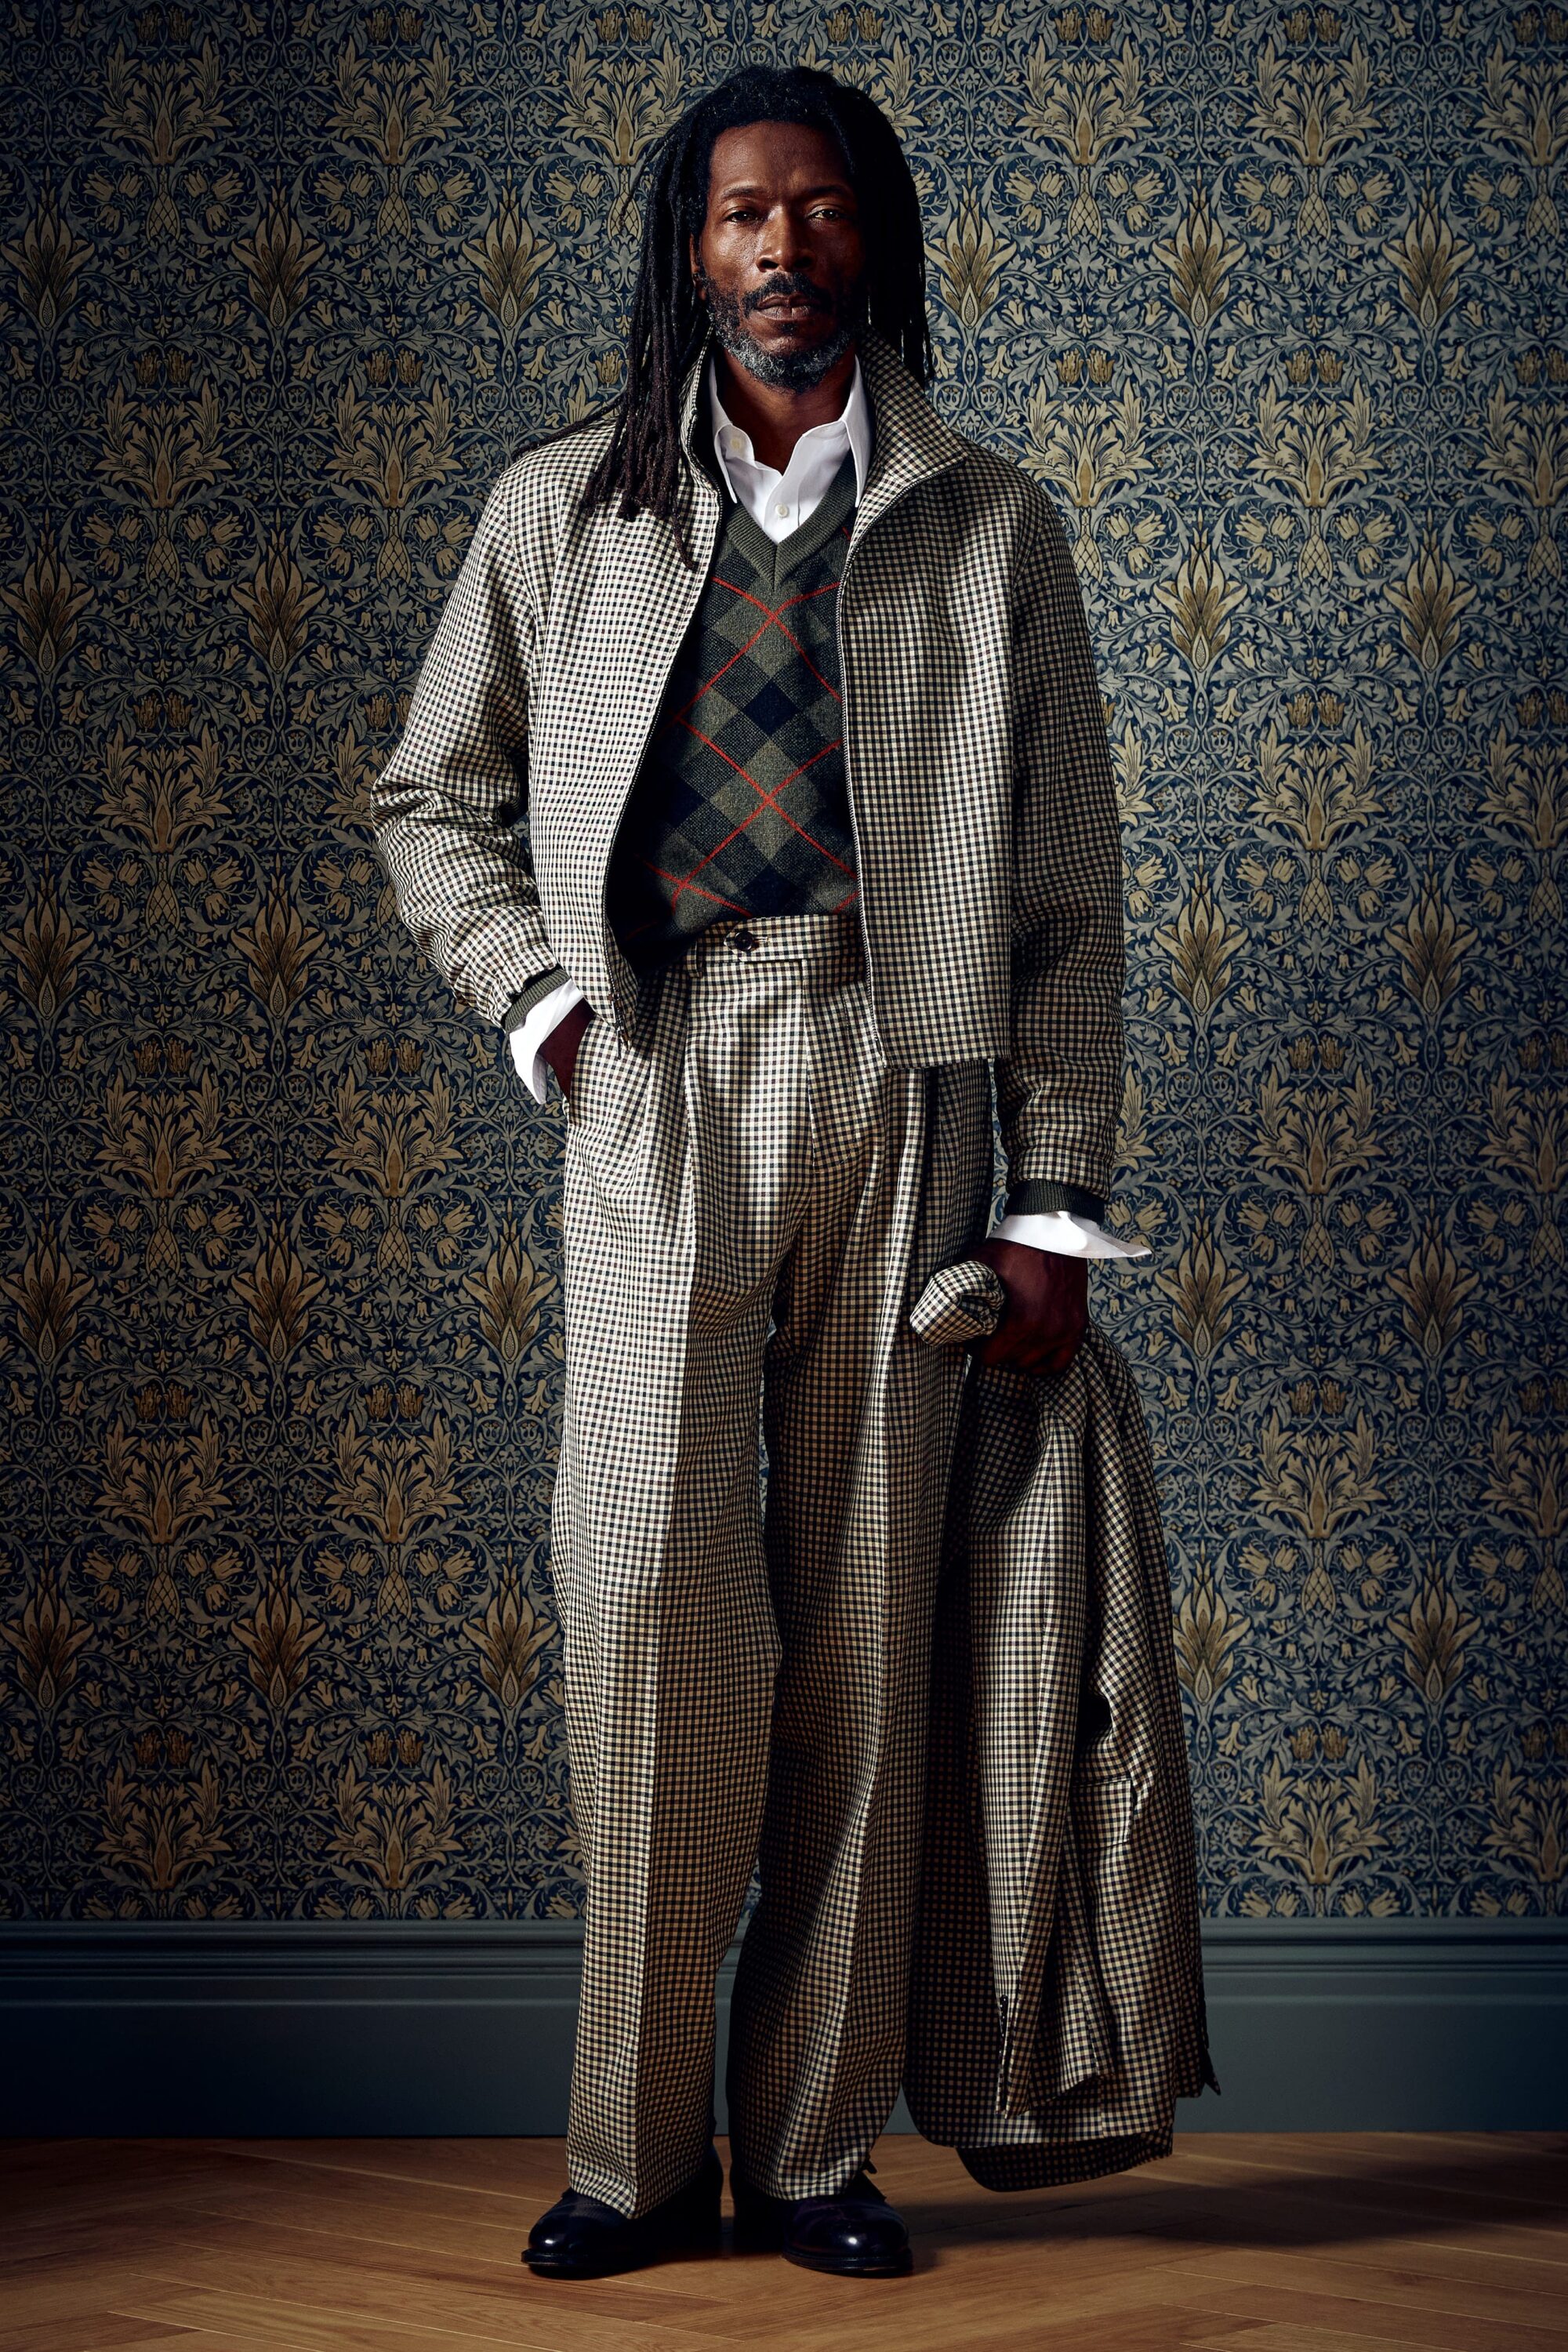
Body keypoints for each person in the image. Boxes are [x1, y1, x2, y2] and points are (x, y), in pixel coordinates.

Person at [371, 61, 1149, 2281]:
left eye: (816, 211)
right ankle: (636, 2163)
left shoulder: (993, 527)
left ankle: (813, 2153)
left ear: (870, 239)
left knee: (866, 1636)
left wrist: (1050, 1205)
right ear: (688, 250)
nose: (780, 249)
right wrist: (541, 1002)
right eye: (740, 215)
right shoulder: (560, 510)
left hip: (916, 1082)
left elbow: (1068, 894)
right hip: (659, 1076)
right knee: (643, 1611)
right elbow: (430, 795)